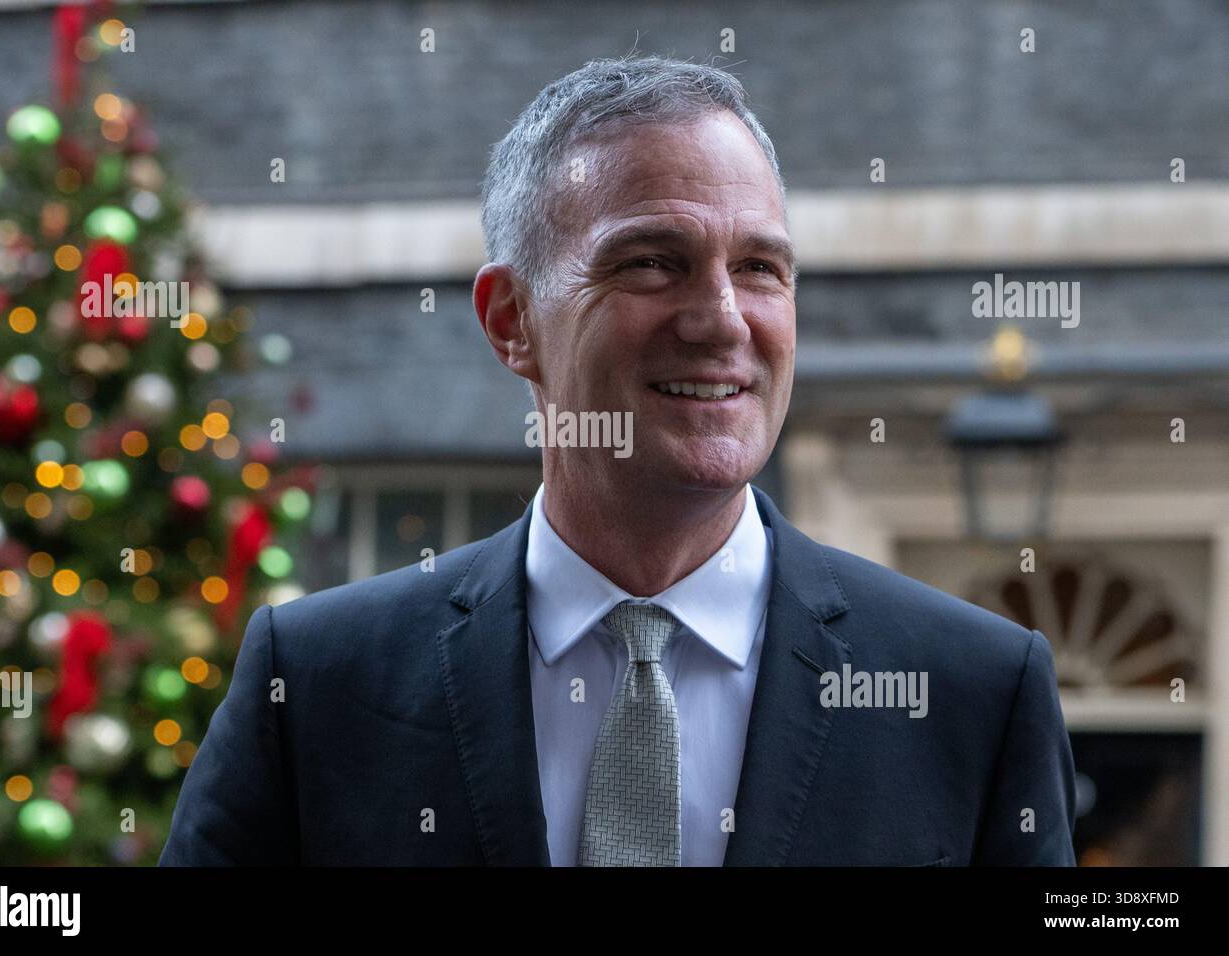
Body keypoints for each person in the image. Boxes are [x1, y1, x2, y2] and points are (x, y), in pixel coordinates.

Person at [160, 55, 1076, 866]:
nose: (722, 318)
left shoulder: (974, 693)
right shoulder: (318, 684)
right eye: (651, 262)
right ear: (511, 321)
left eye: (760, 268)